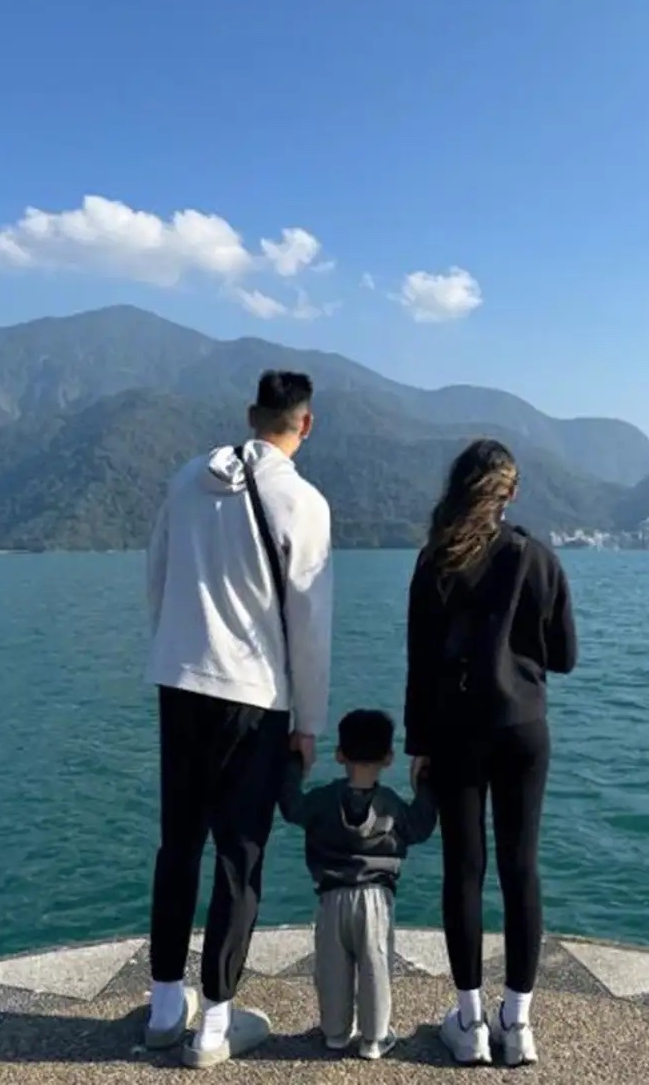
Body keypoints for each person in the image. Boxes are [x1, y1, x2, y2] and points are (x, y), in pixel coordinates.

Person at [145, 371, 334, 1069]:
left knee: (178, 845)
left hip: (179, 682)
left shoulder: (185, 480)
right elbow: (310, 625)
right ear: (305, 424)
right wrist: (308, 720)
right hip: (254, 698)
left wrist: (174, 649)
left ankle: (165, 1009)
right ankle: (216, 1024)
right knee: (239, 855)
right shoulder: (302, 501)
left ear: (252, 414)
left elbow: (157, 577)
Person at [404, 440, 577, 1069]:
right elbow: (565, 656)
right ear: (512, 493)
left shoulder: (436, 559)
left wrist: (418, 744)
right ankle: (518, 1023)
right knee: (521, 869)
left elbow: (420, 662)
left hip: (456, 731)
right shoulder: (538, 557)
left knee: (464, 870)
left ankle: (470, 1022)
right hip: (524, 728)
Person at [278, 708, 437, 1061]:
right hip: (376, 898)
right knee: (375, 966)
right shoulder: (392, 806)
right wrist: (425, 784)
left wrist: (294, 766)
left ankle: (335, 1033)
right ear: (388, 758)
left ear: (339, 754)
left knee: (332, 967)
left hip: (331, 896)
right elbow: (422, 826)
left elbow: (291, 807)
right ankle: (374, 1038)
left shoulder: (321, 800)